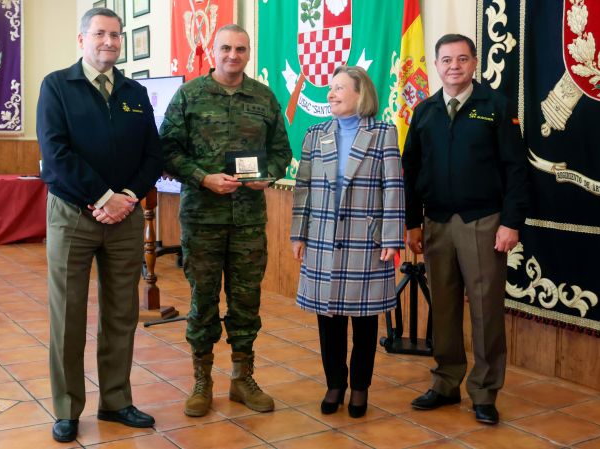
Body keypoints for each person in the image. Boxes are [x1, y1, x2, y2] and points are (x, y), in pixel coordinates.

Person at [36, 7, 162, 442]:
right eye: (100, 34)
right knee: (67, 315)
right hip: (73, 215)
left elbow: (153, 154)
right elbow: (55, 154)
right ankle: (67, 408)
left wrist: (127, 196)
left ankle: (116, 400)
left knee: (122, 312)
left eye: (116, 35)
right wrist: (102, 196)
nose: (109, 42)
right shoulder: (57, 85)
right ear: (82, 39)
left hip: (125, 218)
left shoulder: (134, 92)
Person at [160, 24, 292, 418]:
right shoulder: (190, 95)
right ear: (213, 51)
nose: (233, 55)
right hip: (202, 218)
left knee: (246, 301)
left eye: (240, 49)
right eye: (226, 48)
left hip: (248, 220)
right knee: (203, 300)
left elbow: (281, 151)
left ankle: (241, 378)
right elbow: (167, 150)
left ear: (248, 53)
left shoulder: (264, 98)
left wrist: (268, 174)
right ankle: (202, 380)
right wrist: (203, 177)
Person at [402, 34, 529, 425]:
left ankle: (485, 392)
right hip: (437, 223)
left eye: (461, 59)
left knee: (486, 310)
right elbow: (411, 171)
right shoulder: (424, 111)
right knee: (443, 307)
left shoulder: (496, 106)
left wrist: (511, 223)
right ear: (437, 65)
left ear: (475, 63)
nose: (453, 66)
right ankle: (445, 382)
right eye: (446, 60)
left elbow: (516, 169)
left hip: (483, 222)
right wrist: (412, 222)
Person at [290, 66, 404, 418]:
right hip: (322, 238)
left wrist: (392, 237)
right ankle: (335, 384)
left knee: (365, 321)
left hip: (366, 242)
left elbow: (393, 187)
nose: (331, 94)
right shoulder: (316, 133)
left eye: (339, 88)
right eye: (330, 88)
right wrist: (299, 233)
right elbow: (303, 187)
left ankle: (360, 388)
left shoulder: (383, 133)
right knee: (329, 320)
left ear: (360, 93)